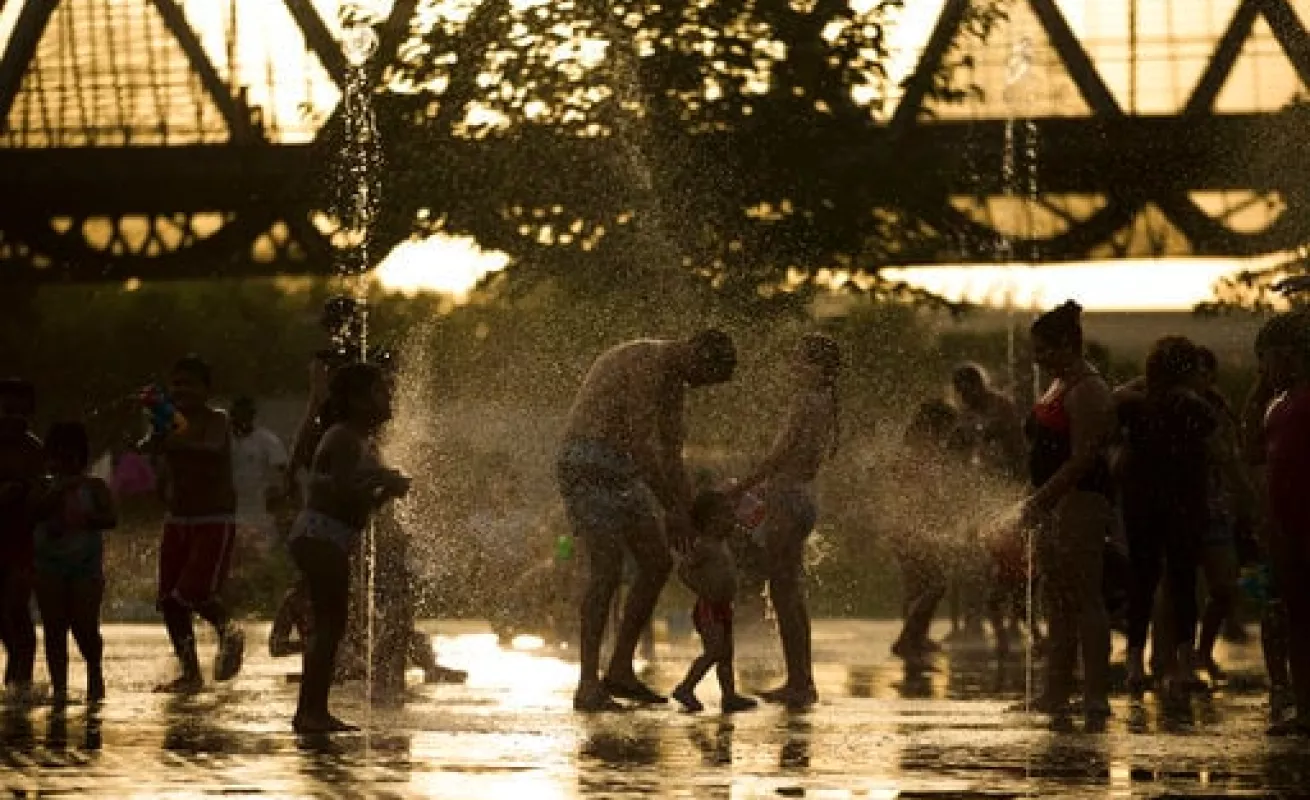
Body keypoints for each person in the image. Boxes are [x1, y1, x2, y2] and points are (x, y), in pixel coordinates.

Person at [557, 329, 737, 711]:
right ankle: (588, 683)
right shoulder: (648, 362)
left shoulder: (676, 381)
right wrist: (672, 510)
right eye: (703, 377)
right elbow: (641, 443)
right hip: (586, 463)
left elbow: (671, 454)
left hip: (621, 470)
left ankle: (620, 669)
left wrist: (693, 518)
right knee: (604, 569)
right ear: (696, 352)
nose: (699, 386)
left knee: (657, 562)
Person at [287, 362, 410, 733]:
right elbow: (342, 491)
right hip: (321, 537)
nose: (388, 398)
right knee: (329, 627)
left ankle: (311, 710)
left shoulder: (355, 439)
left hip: (326, 537)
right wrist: (382, 480)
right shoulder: (342, 436)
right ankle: (311, 713)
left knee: (330, 627)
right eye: (380, 392)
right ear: (357, 401)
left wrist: (384, 489)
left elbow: (358, 503)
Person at [732, 333, 841, 709]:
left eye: (801, 360)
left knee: (783, 591)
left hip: (787, 497)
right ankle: (802, 680)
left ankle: (799, 682)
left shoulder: (804, 401)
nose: (793, 366)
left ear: (820, 368)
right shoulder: (826, 402)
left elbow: (780, 454)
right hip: (805, 497)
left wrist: (742, 486)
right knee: (791, 591)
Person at [1021, 301, 1116, 728]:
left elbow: (1081, 460)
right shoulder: (1059, 383)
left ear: (1066, 344)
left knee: (1086, 597)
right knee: (1058, 601)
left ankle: (1096, 695)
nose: (1036, 357)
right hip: (1055, 504)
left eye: (1043, 348)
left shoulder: (1088, 390)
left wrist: (1039, 499)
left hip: (1081, 502)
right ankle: (1053, 692)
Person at [1116, 337, 1216, 700]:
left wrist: (1138, 385)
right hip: (1184, 503)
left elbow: (1113, 402)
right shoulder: (1195, 407)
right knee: (1183, 581)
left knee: (1141, 581)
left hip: (1140, 502)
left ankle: (1133, 665)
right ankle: (1185, 665)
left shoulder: (1135, 404)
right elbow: (1213, 444)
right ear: (1186, 370)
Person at [146, 355, 245, 692]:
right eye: (176, 384)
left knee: (195, 592)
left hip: (212, 520)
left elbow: (213, 449)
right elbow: (157, 455)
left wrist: (172, 441)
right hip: (178, 518)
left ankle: (231, 631)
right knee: (170, 601)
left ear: (207, 390)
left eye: (189, 383)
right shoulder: (168, 421)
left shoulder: (217, 420)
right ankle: (190, 673)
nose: (182, 390)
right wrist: (155, 446)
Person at [31, 422, 116, 703]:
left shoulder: (94, 486)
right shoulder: (42, 486)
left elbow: (112, 519)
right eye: (59, 456)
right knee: (54, 630)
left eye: (73, 456)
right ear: (49, 457)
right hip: (47, 566)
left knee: (85, 626)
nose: (66, 463)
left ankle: (94, 673)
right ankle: (59, 689)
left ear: (83, 457)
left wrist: (87, 519)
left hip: (85, 567)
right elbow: (33, 513)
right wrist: (57, 491)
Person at [1255, 312, 1310, 735]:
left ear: (1290, 355)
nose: (1262, 368)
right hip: (1285, 528)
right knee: (1295, 617)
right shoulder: (1278, 404)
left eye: (1267, 357)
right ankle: (1305, 710)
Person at [671, 490, 756, 713]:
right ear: (711, 522)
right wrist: (700, 589)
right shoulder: (705, 546)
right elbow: (682, 570)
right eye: (727, 516)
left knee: (726, 654)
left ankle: (729, 696)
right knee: (715, 651)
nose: (733, 520)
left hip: (723, 607)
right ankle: (685, 687)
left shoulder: (722, 544)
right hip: (707, 607)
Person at [889, 400, 958, 662]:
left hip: (910, 526)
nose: (949, 435)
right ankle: (908, 639)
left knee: (919, 586)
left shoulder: (920, 449)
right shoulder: (917, 452)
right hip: (912, 528)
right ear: (934, 426)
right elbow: (917, 493)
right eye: (947, 429)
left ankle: (916, 636)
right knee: (935, 583)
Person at [0, 378, 41, 693]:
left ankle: (21, 686)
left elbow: (45, 492)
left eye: (19, 411)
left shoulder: (34, 449)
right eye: (6, 409)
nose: (12, 416)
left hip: (24, 542)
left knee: (17, 610)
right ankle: (15, 682)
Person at [229, 396, 289, 555]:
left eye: (247, 414)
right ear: (231, 415)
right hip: (228, 511)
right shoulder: (222, 440)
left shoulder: (267, 440)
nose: (242, 418)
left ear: (253, 415)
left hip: (259, 512)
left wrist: (282, 504)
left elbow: (284, 471)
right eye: (237, 414)